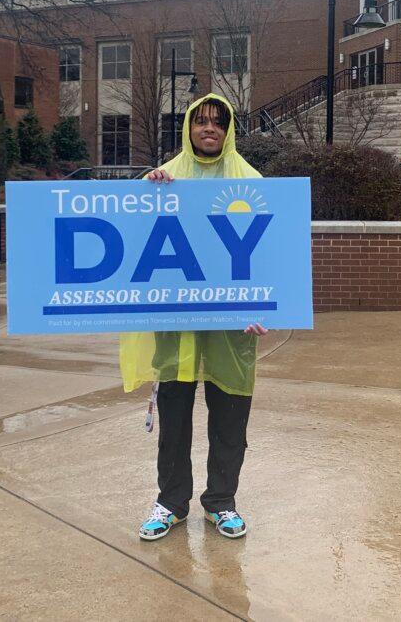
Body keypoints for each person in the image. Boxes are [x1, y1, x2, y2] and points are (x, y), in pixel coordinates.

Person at [121, 93, 265, 542]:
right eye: (200, 121)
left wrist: (267, 304)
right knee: (175, 419)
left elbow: (268, 254)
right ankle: (171, 503)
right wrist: (148, 190)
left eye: (217, 123)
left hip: (231, 328)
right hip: (177, 325)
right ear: (188, 127)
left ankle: (221, 502)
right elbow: (133, 231)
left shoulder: (252, 180)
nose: (209, 129)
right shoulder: (165, 176)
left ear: (228, 130)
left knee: (229, 418)